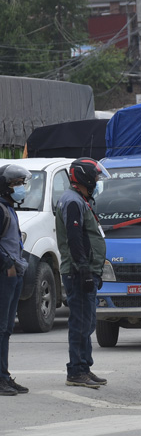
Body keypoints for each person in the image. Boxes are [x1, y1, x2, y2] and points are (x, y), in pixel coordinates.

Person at [56, 158, 108, 389]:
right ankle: (76, 371)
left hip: (85, 270)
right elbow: (74, 238)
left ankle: (84, 367)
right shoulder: (72, 202)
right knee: (79, 322)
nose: (97, 181)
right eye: (95, 177)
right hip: (77, 272)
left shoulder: (80, 200)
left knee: (87, 321)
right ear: (84, 177)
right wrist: (85, 268)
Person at [0, 165, 30, 396]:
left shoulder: (9, 208)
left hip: (13, 276)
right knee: (1, 329)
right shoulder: (1, 210)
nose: (21, 188)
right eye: (16, 183)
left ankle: (5, 375)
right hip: (4, 276)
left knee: (7, 329)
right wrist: (8, 265)